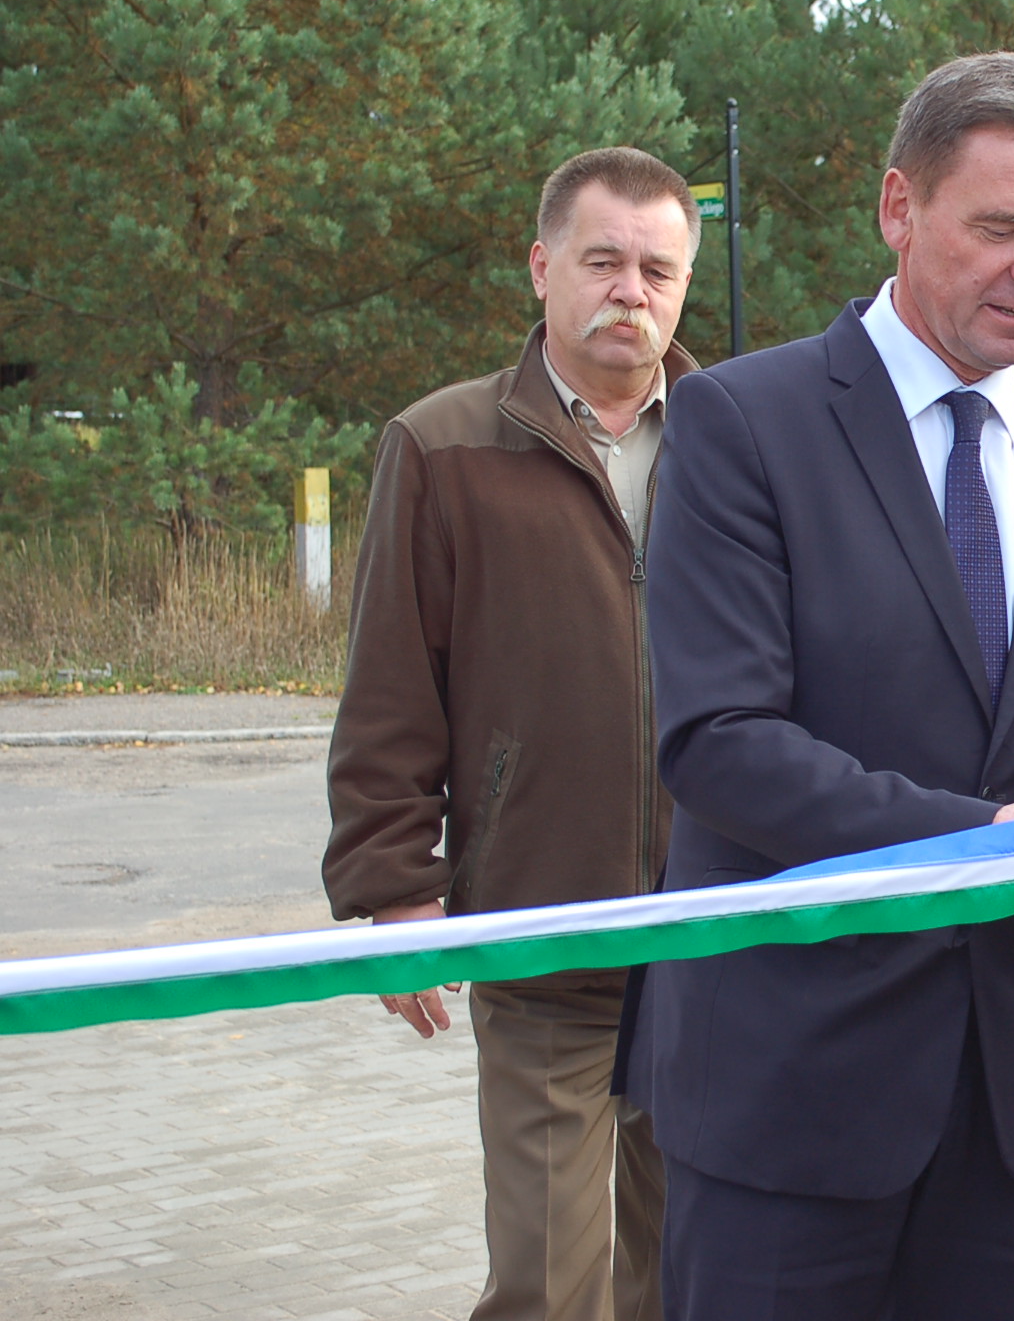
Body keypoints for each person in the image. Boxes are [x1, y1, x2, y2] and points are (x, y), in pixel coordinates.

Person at [629, 52, 1014, 1321]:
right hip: (788, 1092)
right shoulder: (742, 424)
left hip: (1005, 1100)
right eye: (1004, 227)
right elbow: (720, 741)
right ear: (899, 208)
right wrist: (991, 846)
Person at [324, 146, 701, 1321]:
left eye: (657, 269)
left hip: (716, 932)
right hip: (545, 935)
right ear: (542, 267)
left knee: (697, 1269)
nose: (630, 291)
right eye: (603, 261)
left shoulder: (744, 440)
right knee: (549, 1281)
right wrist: (396, 888)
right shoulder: (442, 446)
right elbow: (392, 684)